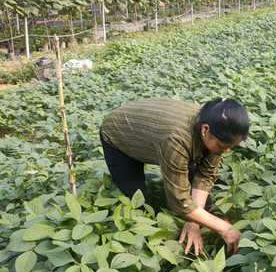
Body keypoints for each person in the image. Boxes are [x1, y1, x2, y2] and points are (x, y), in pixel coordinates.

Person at [100, 97, 249, 255]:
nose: (226, 151)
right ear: (205, 130)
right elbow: (180, 202)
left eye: (231, 147)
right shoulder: (176, 139)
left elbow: (205, 174)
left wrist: (194, 221)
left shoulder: (216, 126)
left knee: (203, 209)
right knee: (137, 205)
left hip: (153, 129)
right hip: (119, 136)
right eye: (223, 146)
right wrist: (224, 228)